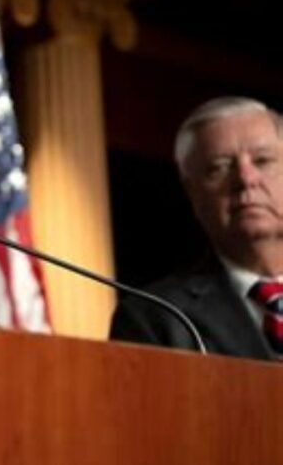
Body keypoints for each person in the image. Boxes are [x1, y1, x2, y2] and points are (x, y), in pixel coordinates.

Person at [109, 96, 282, 360]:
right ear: (192, 193)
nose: (246, 179)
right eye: (219, 168)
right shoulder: (156, 317)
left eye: (262, 161)